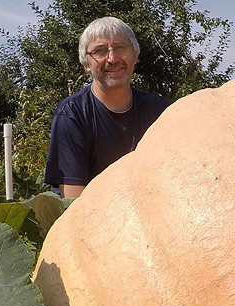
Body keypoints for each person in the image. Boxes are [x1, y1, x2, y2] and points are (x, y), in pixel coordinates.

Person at [44, 16, 172, 198]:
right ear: (86, 64)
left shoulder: (159, 110)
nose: (112, 59)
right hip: (96, 220)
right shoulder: (71, 115)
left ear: (135, 55)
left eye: (120, 48)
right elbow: (74, 203)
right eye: (100, 51)